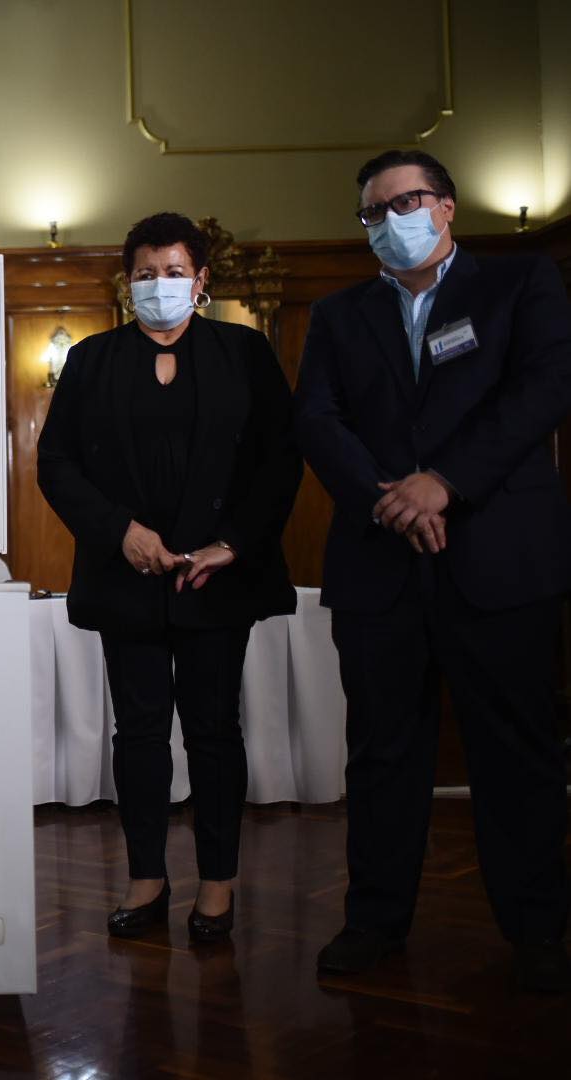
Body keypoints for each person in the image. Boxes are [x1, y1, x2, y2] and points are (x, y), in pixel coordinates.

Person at [295, 150, 571, 993]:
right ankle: (375, 921)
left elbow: (545, 388)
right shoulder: (339, 315)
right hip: (379, 569)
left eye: (404, 202)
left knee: (517, 753)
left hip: (499, 562)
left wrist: (443, 482)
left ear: (446, 207)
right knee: (381, 754)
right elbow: (317, 416)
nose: (388, 221)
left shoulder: (520, 286)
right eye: (372, 212)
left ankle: (540, 932)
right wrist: (392, 500)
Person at [38, 212, 301, 943]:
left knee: (216, 733)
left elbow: (282, 460)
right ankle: (146, 881)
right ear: (129, 285)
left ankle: (218, 887)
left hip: (217, 579)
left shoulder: (244, 352)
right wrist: (120, 531)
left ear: (202, 280)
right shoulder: (91, 359)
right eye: (147, 273)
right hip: (127, 577)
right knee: (140, 734)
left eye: (175, 272)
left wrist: (233, 543)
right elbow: (56, 464)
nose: (161, 285)